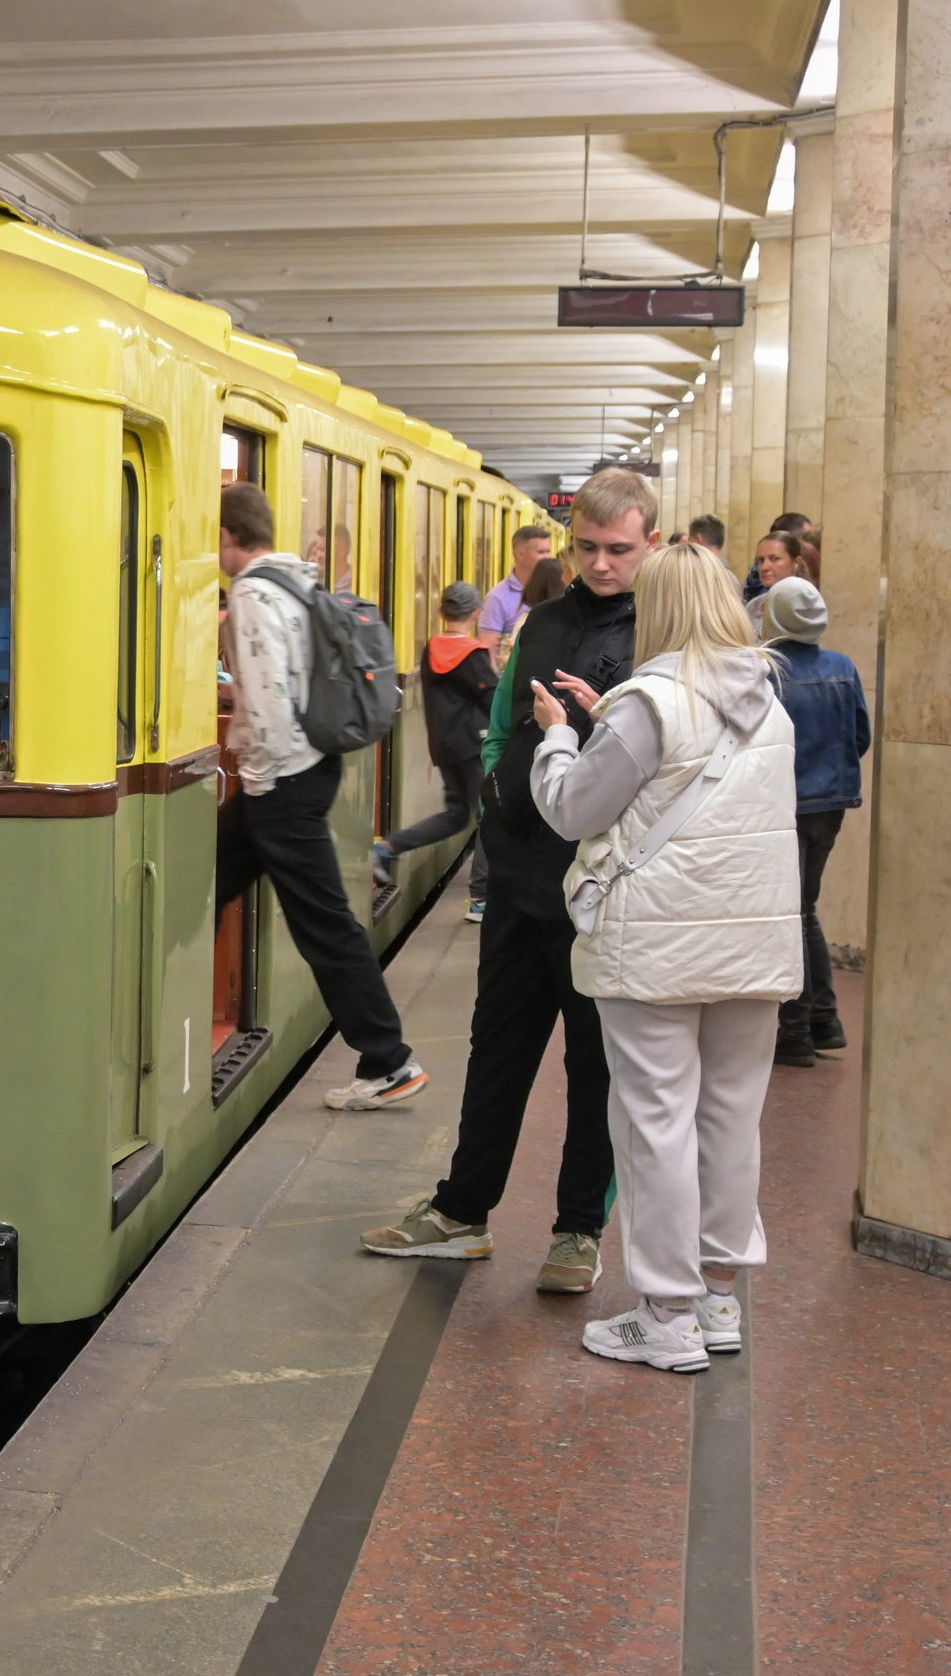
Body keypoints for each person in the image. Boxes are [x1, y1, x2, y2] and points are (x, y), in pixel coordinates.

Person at [359, 466, 652, 1293]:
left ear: (649, 544)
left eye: (618, 549)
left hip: (602, 883)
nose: (600, 563)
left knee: (596, 1063)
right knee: (499, 1050)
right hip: (524, 872)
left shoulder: (661, 633)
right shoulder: (544, 622)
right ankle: (462, 1210)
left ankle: (577, 1231)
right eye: (588, 547)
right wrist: (493, 797)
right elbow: (502, 726)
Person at [524, 542, 800, 1371]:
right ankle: (717, 1297)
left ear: (663, 609)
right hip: (751, 947)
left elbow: (573, 809)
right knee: (728, 1117)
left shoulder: (649, 704)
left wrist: (558, 739)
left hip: (657, 951)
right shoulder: (768, 702)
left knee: (655, 1122)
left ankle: (666, 1314)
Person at [216, 482, 428, 1109]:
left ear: (228, 536)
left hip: (282, 780)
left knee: (325, 923)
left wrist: (258, 772)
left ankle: (389, 1059)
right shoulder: (296, 581)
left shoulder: (252, 592)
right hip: (308, 769)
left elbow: (273, 697)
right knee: (203, 880)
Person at [759, 577, 867, 1066]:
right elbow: (858, 735)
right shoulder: (843, 668)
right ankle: (824, 1018)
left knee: (793, 914)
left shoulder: (768, 672)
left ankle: (797, 1029)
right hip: (831, 804)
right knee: (806, 910)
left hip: (785, 803)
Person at [374, 580, 495, 921]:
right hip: (473, 745)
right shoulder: (472, 655)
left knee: (457, 815)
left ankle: (389, 846)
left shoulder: (431, 650)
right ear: (477, 613)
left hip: (444, 747)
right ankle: (480, 897)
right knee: (489, 817)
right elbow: (492, 696)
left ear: (442, 612)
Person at [480, 523, 552, 666]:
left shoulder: (553, 590)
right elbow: (489, 654)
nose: (548, 557)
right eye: (541, 552)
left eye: (548, 551)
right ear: (520, 554)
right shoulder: (497, 598)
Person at [748, 530, 805, 627]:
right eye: (761, 560)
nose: (764, 567)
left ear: (797, 563)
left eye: (775, 558)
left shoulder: (808, 603)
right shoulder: (754, 606)